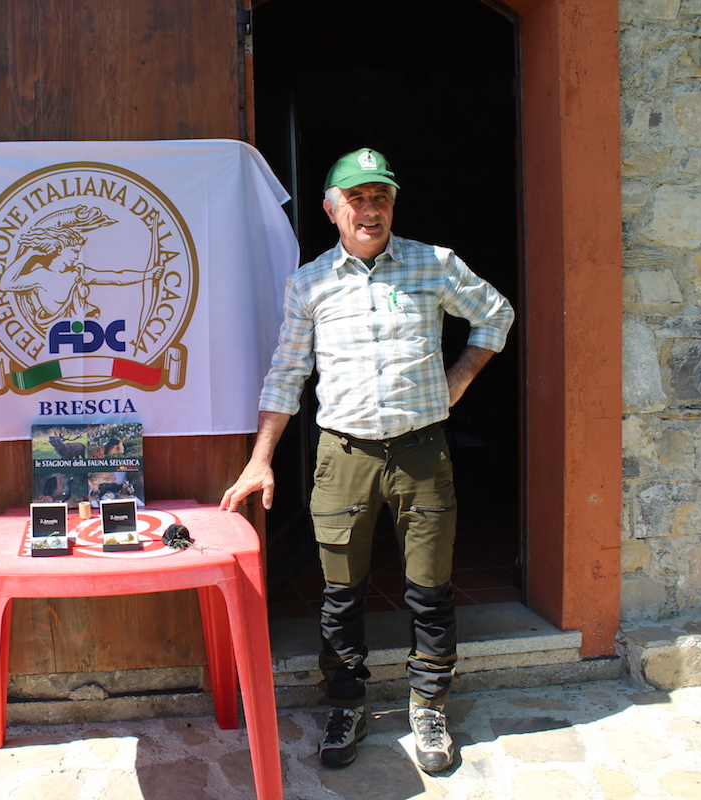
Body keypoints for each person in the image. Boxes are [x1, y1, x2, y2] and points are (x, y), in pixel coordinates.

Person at [220, 148, 514, 772]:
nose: (369, 209)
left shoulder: (434, 264)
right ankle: (346, 704)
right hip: (343, 455)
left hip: (421, 451)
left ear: (393, 205)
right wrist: (260, 459)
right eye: (355, 198)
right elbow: (288, 373)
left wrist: (457, 380)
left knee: (430, 590)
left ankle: (429, 705)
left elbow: (496, 314)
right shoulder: (309, 283)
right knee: (340, 594)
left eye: (380, 196)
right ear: (332, 211)